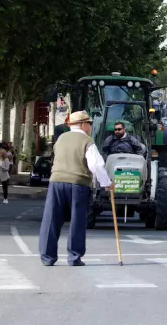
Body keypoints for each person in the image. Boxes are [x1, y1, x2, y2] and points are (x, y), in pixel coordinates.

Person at [38, 111, 114, 266]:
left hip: (56, 181)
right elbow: (95, 164)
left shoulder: (60, 139)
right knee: (77, 220)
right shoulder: (87, 140)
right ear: (82, 125)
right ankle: (74, 257)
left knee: (51, 218)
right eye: (89, 123)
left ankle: (47, 256)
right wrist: (106, 183)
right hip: (78, 183)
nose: (91, 126)